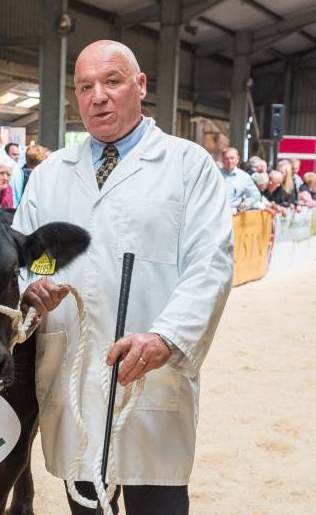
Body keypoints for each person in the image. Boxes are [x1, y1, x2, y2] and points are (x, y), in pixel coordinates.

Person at [14, 40, 233, 515]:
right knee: (85, 502)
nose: (98, 97)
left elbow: (211, 263)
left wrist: (167, 336)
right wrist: (33, 286)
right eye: (85, 86)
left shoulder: (187, 166)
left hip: (150, 375)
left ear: (140, 86)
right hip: (71, 371)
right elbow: (32, 256)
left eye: (112, 82)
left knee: (157, 498)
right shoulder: (50, 175)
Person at [221, 147, 261, 211]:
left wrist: (246, 204)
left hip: (234, 215)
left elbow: (256, 195)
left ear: (237, 159)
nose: (229, 161)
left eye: (232, 158)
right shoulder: (216, 174)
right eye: (226, 158)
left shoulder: (244, 177)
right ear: (222, 160)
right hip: (217, 214)